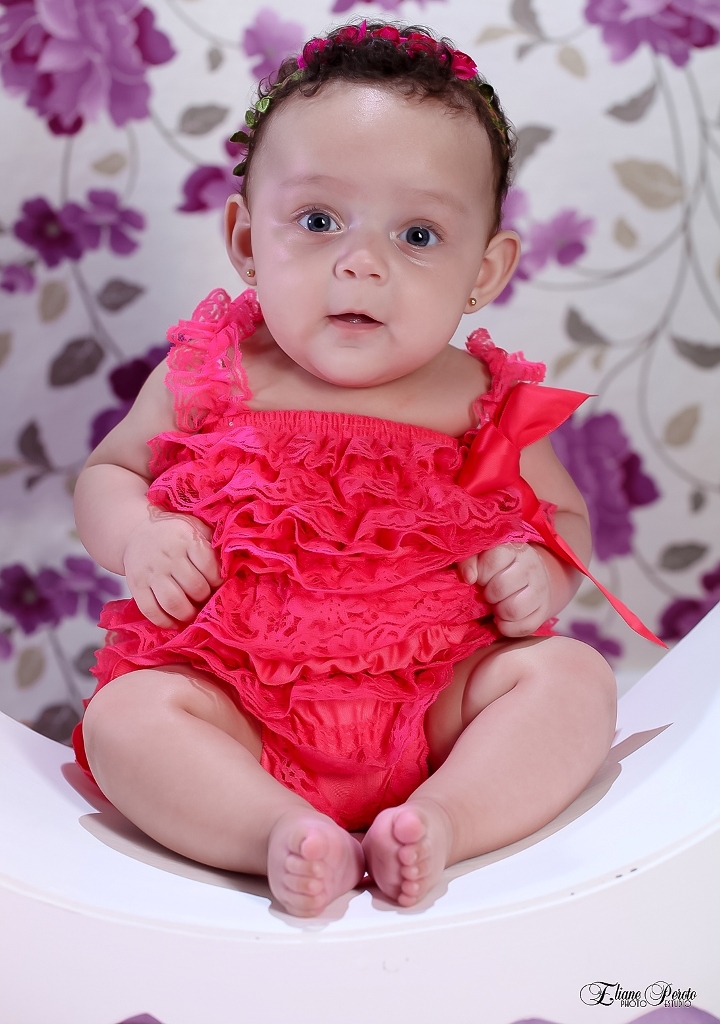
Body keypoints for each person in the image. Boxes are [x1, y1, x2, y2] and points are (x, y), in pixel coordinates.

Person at [72, 21, 656, 918]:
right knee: (127, 718)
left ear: (485, 270)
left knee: (572, 680)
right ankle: (275, 829)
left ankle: (443, 819)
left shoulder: (486, 400)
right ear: (246, 240)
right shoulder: (209, 373)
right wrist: (140, 533)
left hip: (436, 710)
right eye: (318, 221)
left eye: (418, 233)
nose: (362, 263)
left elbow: (565, 522)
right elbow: (107, 473)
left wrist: (537, 574)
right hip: (238, 709)